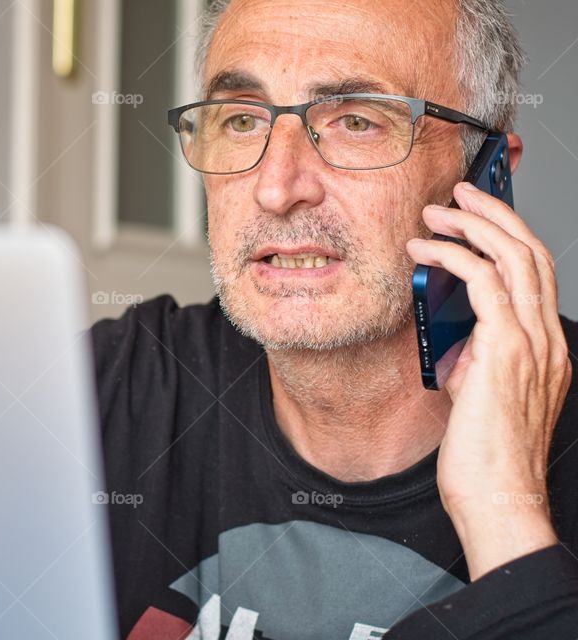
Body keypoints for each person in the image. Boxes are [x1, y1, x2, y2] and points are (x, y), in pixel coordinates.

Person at [90, 0, 578, 638]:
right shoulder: (112, 386)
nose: (277, 186)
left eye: (355, 120)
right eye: (241, 119)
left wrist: (504, 514)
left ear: (483, 182)